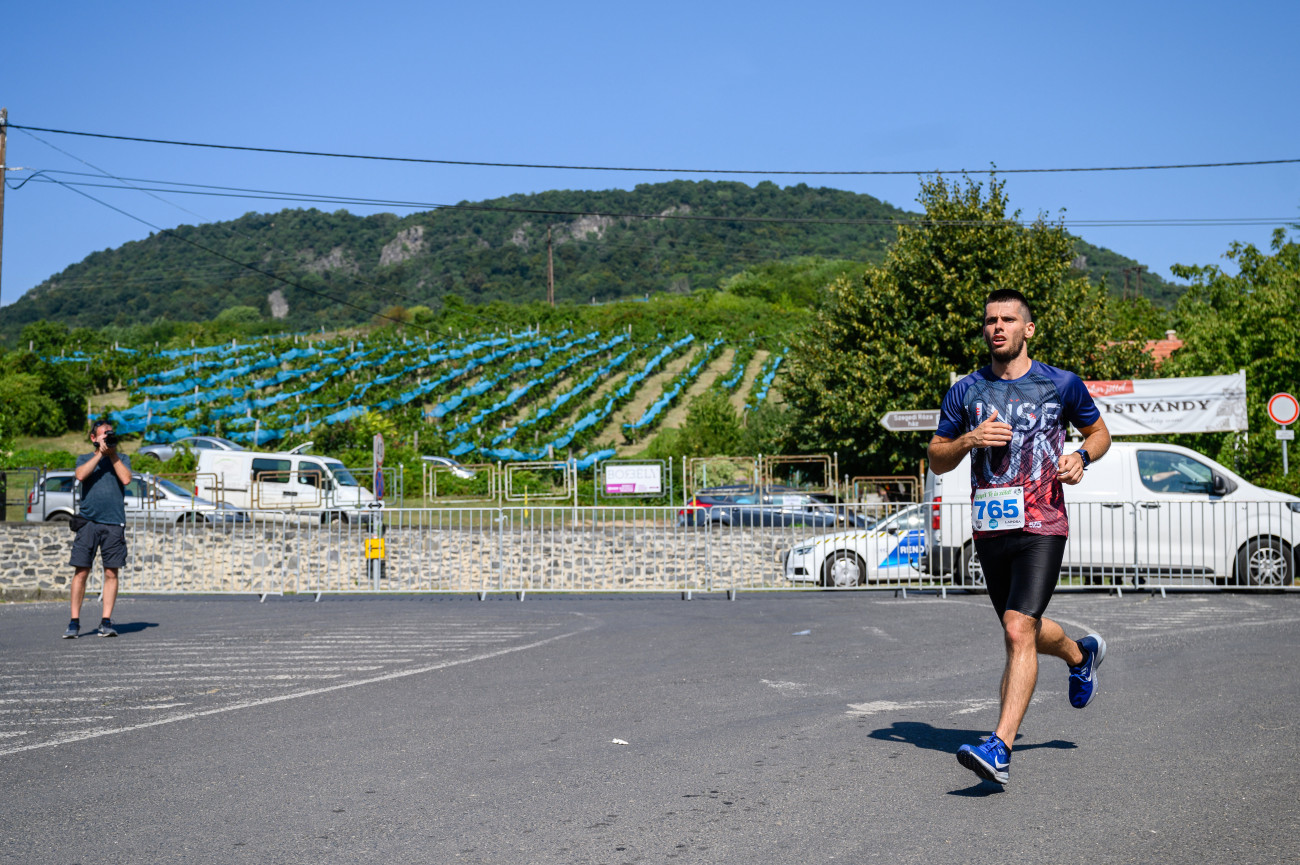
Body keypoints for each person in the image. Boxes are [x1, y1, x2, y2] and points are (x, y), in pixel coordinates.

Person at [927, 288, 1112, 785]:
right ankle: (1081, 653)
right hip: (991, 529)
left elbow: (1099, 433)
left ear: (1027, 329)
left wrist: (1081, 457)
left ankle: (1000, 749)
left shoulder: (1061, 383)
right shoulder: (964, 392)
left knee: (1015, 629)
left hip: (1043, 523)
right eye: (990, 320)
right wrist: (968, 440)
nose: (998, 327)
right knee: (1024, 628)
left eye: (1008, 319)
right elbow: (936, 455)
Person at [63, 420, 132, 639]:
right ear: (94, 438)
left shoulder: (122, 458)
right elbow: (81, 475)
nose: (108, 437)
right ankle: (74, 622)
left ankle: (106, 621)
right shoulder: (85, 458)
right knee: (81, 570)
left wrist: (111, 455)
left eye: (110, 434)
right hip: (88, 522)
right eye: (104, 435)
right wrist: (99, 455)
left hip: (114, 522)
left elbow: (126, 479)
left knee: (112, 571)